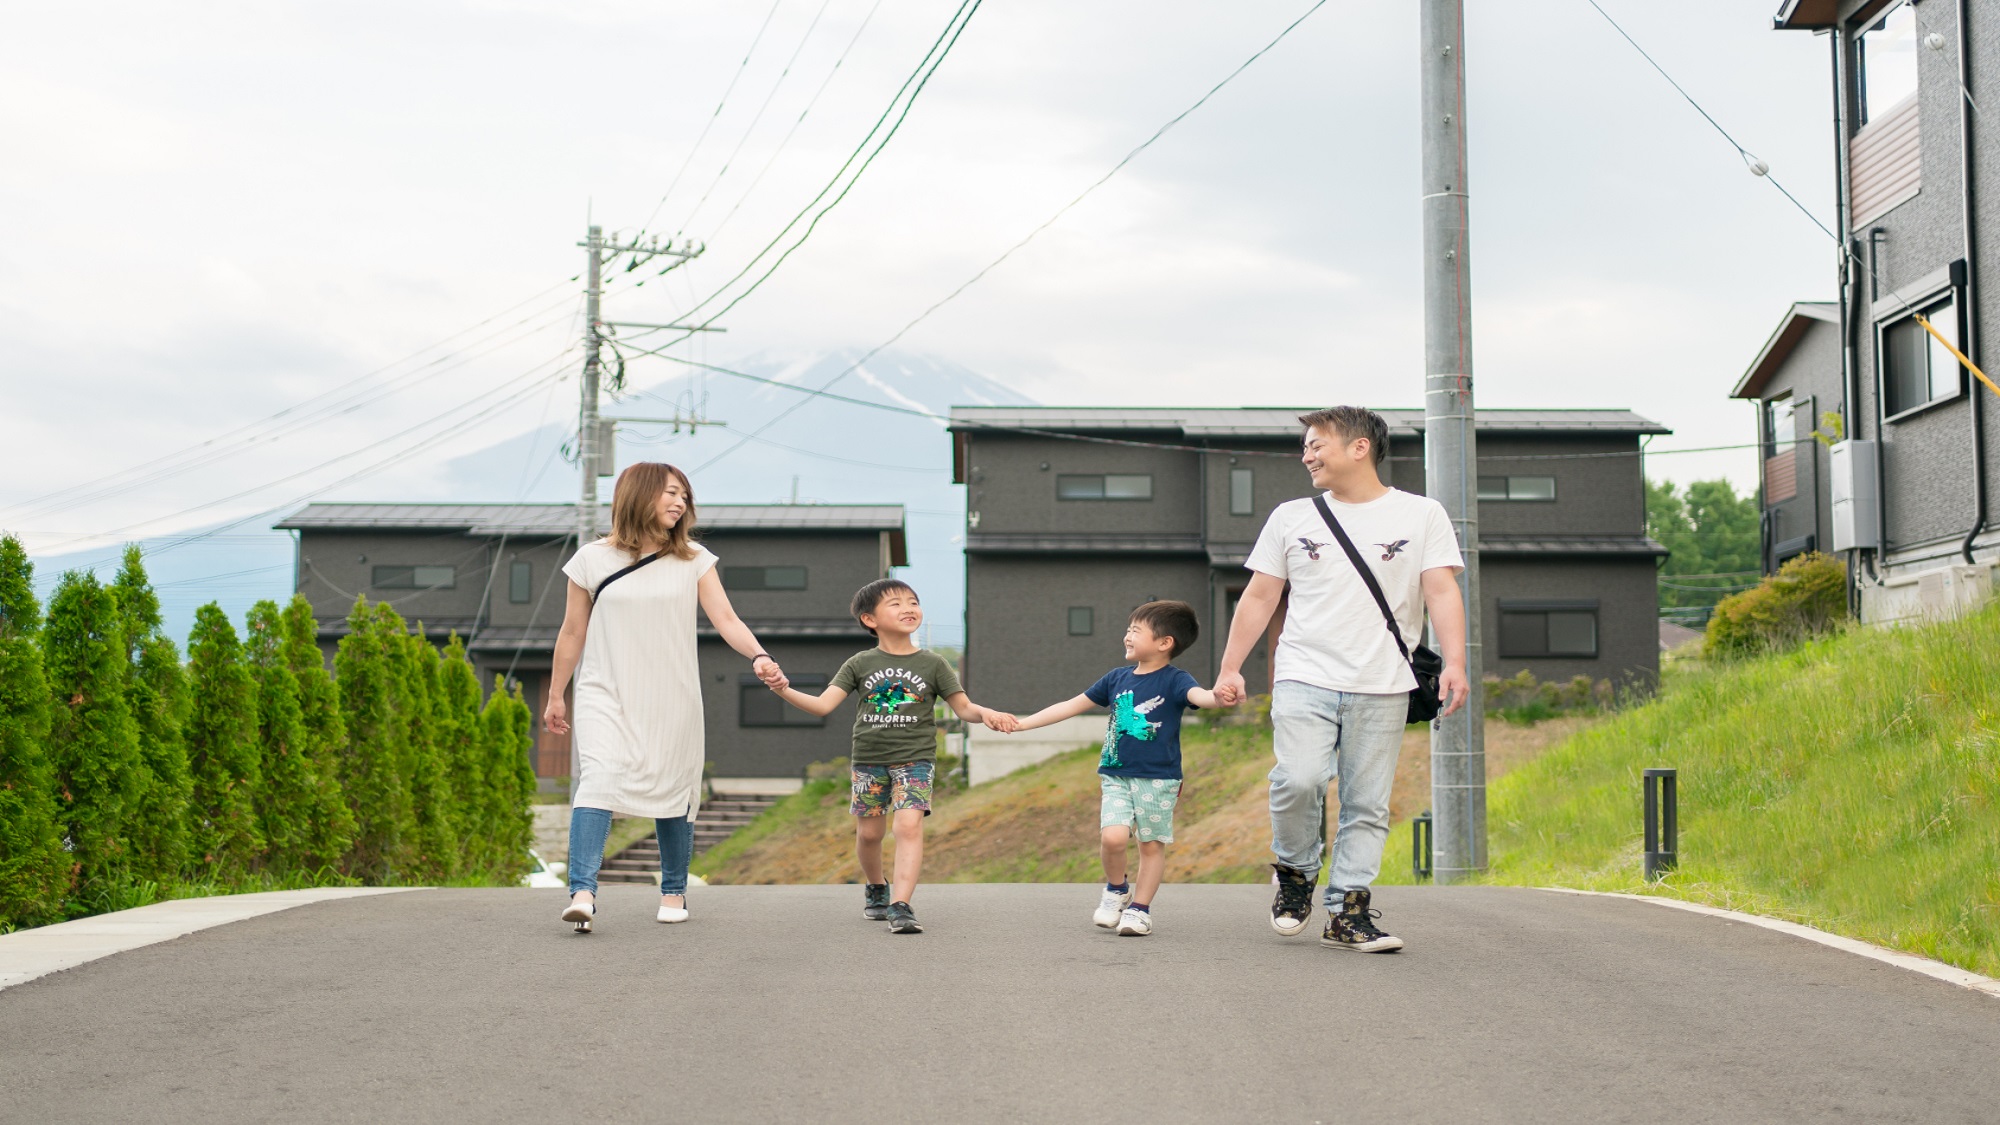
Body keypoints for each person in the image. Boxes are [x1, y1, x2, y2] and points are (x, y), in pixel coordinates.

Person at [1213, 406, 1468, 953]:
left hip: (1385, 680)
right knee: (1298, 780)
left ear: (1359, 448)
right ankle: (1296, 872)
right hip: (1304, 673)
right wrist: (1230, 667)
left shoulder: (1422, 514)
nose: (1306, 455)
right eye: (1305, 446)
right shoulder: (1291, 517)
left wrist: (1456, 664)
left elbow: (1442, 590)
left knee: (1367, 803)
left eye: (1316, 444)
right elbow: (1260, 596)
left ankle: (1348, 910)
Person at [543, 462, 787, 932]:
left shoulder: (695, 559)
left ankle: (674, 891)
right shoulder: (592, 559)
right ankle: (582, 893)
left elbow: (727, 620)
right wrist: (557, 694)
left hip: (671, 694)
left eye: (684, 496)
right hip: (604, 690)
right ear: (639, 495)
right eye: (670, 493)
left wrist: (759, 655)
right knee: (598, 779)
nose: (679, 503)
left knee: (674, 789)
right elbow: (573, 630)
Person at [770, 579, 1004, 934]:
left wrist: (986, 714)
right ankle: (876, 886)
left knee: (908, 825)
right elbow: (822, 706)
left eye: (913, 602)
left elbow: (964, 707)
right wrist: (783, 689)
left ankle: (901, 905)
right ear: (869, 619)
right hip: (868, 759)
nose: (908, 608)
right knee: (869, 834)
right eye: (895, 604)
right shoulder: (859, 663)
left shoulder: (934, 664)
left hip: (916, 758)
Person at [1003, 600, 1218, 936]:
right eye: (1128, 630)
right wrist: (1023, 724)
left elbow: (1200, 696)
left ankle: (1140, 910)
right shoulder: (1116, 679)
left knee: (1150, 845)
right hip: (1116, 775)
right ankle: (1117, 889)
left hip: (1159, 779)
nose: (1126, 637)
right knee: (1113, 838)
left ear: (1165, 643)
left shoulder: (1175, 680)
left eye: (1135, 631)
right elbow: (1071, 706)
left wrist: (1221, 695)